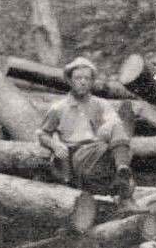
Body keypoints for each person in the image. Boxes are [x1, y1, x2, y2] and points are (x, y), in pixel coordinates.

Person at [37, 56, 135, 202]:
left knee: (117, 130)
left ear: (92, 81)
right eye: (78, 78)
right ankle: (122, 179)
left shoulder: (100, 104)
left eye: (87, 78)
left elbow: (114, 124)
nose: (83, 82)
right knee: (116, 149)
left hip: (99, 149)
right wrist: (55, 144)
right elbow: (42, 134)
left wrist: (107, 130)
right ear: (70, 81)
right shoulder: (59, 108)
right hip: (76, 154)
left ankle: (122, 170)